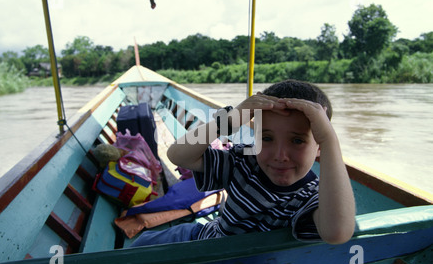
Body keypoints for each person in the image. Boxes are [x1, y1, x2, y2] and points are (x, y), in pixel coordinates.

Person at [131, 80, 355, 247]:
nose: (280, 155)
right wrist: (228, 121)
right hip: (204, 239)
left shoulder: (311, 197)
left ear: (319, 148)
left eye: (297, 141)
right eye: (266, 138)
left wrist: (329, 140)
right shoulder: (244, 163)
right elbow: (178, 156)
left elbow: (338, 232)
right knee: (140, 245)